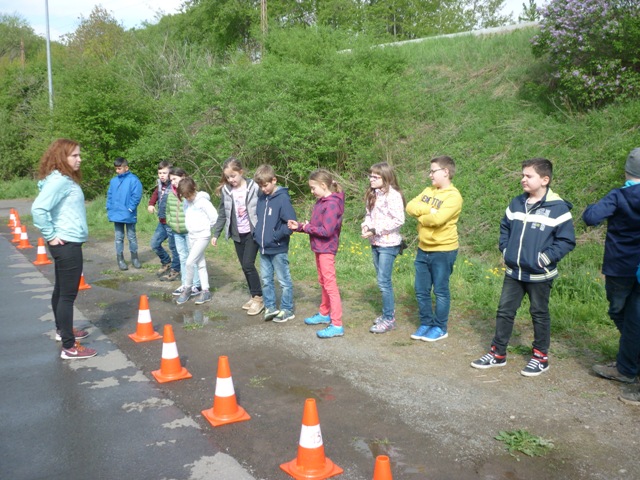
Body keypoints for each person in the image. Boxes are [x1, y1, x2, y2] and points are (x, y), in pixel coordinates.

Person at [471, 158, 576, 377]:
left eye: (529, 176)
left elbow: (566, 241)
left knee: (539, 314)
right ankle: (498, 353)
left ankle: (540, 357)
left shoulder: (558, 208)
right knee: (504, 311)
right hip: (514, 271)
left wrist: (543, 259)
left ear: (544, 180)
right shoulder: (516, 203)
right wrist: (505, 250)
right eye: (523, 175)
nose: (523, 179)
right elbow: (504, 228)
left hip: (540, 274)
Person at [583, 147, 640, 403]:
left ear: (627, 171)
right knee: (635, 317)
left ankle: (628, 365)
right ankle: (628, 361)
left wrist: (592, 206)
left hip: (620, 268)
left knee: (619, 312)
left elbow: (591, 217)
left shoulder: (619, 195)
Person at [31, 139, 96, 359]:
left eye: (79, 155)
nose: (80, 159)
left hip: (67, 242)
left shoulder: (62, 179)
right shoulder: (60, 181)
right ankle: (70, 347)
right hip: (66, 243)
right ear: (62, 157)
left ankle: (63, 331)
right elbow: (38, 209)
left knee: (61, 291)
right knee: (68, 295)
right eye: (74, 155)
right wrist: (50, 235)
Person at [406, 156, 462, 342]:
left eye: (433, 171)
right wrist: (429, 211)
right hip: (423, 248)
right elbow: (410, 206)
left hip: (443, 250)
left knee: (440, 290)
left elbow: (438, 220)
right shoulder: (428, 190)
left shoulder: (453, 196)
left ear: (445, 172)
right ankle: (426, 323)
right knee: (421, 290)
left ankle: (440, 327)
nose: (429, 174)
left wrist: (422, 217)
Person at [288, 169, 345, 339]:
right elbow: (315, 226)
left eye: (313, 188)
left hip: (327, 248)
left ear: (323, 185)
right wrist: (298, 226)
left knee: (330, 285)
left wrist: (306, 227)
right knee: (323, 282)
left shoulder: (332, 203)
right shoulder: (321, 201)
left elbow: (327, 231)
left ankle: (336, 324)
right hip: (319, 248)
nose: (311, 191)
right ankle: (324, 313)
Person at [211, 157, 264, 316]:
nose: (231, 179)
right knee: (244, 266)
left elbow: (266, 201)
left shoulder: (254, 187)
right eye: (228, 177)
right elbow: (223, 213)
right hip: (237, 234)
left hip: (252, 232)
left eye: (233, 176)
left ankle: (258, 298)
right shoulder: (227, 191)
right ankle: (253, 295)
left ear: (241, 172)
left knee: (248, 264)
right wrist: (216, 233)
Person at [361, 162, 406, 334]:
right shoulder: (372, 194)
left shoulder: (393, 195)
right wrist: (366, 226)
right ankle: (387, 313)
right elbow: (368, 215)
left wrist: (375, 230)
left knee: (383, 282)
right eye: (370, 176)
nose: (371, 179)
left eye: (375, 177)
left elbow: (399, 220)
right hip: (375, 243)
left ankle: (389, 319)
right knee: (381, 280)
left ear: (385, 178)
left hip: (389, 244)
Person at [253, 164, 297, 323]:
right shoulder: (261, 198)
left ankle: (287, 309)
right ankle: (270, 306)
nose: (263, 189)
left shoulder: (283, 199)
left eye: (265, 185)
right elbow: (260, 220)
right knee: (266, 279)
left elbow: (291, 224)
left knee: (284, 280)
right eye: (260, 186)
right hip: (263, 248)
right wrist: (256, 235)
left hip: (278, 248)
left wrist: (275, 235)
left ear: (274, 180)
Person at [175, 177, 218, 306]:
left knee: (189, 262)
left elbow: (214, 217)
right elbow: (187, 216)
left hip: (203, 236)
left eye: (188, 195)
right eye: (184, 196)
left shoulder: (203, 201)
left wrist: (205, 228)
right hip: (191, 235)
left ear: (194, 189)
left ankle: (187, 288)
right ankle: (206, 291)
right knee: (200, 264)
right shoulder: (186, 203)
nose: (187, 198)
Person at [165, 167, 202, 299]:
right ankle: (185, 284)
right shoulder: (170, 194)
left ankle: (196, 285)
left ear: (183, 177)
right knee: (182, 258)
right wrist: (170, 222)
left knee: (193, 258)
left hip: (189, 231)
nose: (173, 182)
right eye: (171, 180)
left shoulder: (190, 193)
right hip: (176, 231)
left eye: (174, 179)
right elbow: (167, 211)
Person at [106, 157, 143, 271]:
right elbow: (110, 195)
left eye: (119, 168)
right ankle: (120, 259)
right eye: (116, 169)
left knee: (131, 236)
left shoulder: (133, 180)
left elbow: (136, 195)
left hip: (128, 214)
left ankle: (135, 258)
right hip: (117, 214)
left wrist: (131, 208)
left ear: (126, 168)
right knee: (118, 237)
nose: (117, 171)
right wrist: (109, 207)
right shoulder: (113, 181)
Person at [148, 160, 180, 281]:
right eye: (160, 172)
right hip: (162, 222)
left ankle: (175, 270)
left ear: (170, 173)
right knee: (154, 244)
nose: (162, 175)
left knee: (174, 247)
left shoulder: (174, 186)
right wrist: (151, 204)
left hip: (172, 222)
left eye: (164, 173)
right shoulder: (160, 184)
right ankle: (166, 262)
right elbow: (156, 193)